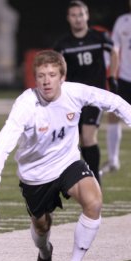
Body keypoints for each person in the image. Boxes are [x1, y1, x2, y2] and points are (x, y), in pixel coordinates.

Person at [0, 50, 131, 261]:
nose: (46, 81)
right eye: (41, 76)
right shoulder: (26, 104)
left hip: (67, 163)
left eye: (52, 75)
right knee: (41, 228)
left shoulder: (75, 93)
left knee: (94, 202)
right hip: (36, 175)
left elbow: (113, 101)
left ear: (62, 77)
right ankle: (44, 253)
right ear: (35, 78)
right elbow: (3, 143)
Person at [53, 0, 119, 184]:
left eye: (80, 14)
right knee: (79, 140)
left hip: (94, 96)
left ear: (87, 16)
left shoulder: (99, 37)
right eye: (73, 15)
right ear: (68, 18)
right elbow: (57, 67)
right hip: (72, 98)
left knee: (88, 136)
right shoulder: (62, 44)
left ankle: (95, 180)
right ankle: (81, 178)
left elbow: (114, 52)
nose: (78, 19)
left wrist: (111, 77)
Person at [100, 0, 131, 175]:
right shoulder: (122, 21)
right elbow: (114, 49)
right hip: (125, 78)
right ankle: (113, 160)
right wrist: (110, 73)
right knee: (113, 116)